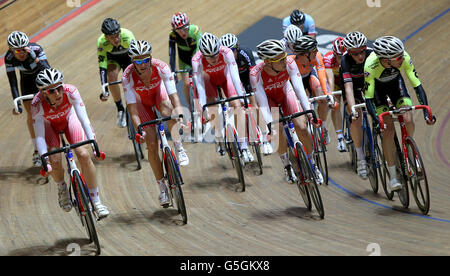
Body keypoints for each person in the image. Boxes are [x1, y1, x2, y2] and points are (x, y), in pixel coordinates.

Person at [32, 68, 109, 218]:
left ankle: (97, 201)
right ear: (42, 93)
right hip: (50, 125)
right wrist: (44, 160)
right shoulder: (37, 104)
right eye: (51, 91)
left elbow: (84, 120)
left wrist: (95, 146)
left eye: (59, 88)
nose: (57, 94)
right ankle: (61, 187)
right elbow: (39, 135)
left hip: (69, 119)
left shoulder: (71, 91)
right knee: (54, 159)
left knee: (83, 154)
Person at [122, 40, 189, 207]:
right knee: (151, 144)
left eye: (145, 60)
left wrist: (180, 115)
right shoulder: (127, 77)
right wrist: (139, 130)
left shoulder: (161, 67)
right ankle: (162, 189)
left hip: (159, 95)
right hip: (141, 104)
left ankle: (179, 147)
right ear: (133, 62)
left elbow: (174, 96)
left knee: (168, 109)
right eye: (138, 61)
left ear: (150, 58)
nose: (143, 64)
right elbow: (133, 111)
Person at [364, 36, 435, 190]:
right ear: (386, 59)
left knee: (408, 118)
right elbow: (368, 98)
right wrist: (377, 121)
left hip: (397, 86)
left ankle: (409, 149)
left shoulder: (404, 57)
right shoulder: (370, 65)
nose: (402, 58)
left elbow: (417, 86)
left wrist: (426, 112)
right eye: (398, 57)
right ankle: (393, 177)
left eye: (402, 55)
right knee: (388, 130)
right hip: (378, 93)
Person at [250, 39, 323, 184]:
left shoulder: (289, 64)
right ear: (268, 62)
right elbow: (263, 103)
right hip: (269, 100)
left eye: (284, 57)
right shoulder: (255, 74)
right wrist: (270, 124)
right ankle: (287, 165)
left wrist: (309, 112)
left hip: (286, 93)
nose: (285, 61)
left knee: (302, 127)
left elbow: (299, 90)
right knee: (277, 130)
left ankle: (312, 164)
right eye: (280, 60)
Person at [191, 32, 254, 163]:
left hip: (226, 79)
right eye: (209, 56)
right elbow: (200, 86)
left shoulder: (226, 52)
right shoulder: (196, 60)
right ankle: (219, 136)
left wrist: (241, 97)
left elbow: (235, 76)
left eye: (215, 54)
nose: (214, 59)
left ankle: (244, 146)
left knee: (237, 107)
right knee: (212, 109)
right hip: (208, 82)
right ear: (203, 54)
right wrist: (203, 108)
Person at [219, 33, 273, 155]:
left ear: (237, 48)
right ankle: (239, 140)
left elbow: (253, 74)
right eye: (227, 51)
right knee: (234, 108)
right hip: (231, 82)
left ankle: (265, 140)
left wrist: (253, 97)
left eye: (232, 50)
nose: (230, 54)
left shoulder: (245, 53)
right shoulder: (222, 59)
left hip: (247, 78)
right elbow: (224, 81)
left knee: (256, 107)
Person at [5, 31, 51, 167]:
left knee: (49, 110)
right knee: (32, 116)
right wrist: (17, 103)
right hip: (26, 83)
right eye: (17, 51)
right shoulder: (8, 58)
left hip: (41, 78)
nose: (21, 53)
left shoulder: (36, 49)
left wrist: (34, 58)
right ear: (11, 50)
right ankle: (37, 150)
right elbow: (12, 81)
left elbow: (48, 70)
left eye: (23, 49)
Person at [291, 35, 335, 145]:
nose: (317, 51)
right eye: (314, 50)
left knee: (323, 99)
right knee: (301, 105)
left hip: (310, 77)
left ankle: (323, 126)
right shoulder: (291, 62)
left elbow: (321, 75)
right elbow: (292, 87)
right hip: (296, 82)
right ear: (306, 54)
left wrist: (328, 93)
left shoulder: (316, 56)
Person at [341, 31, 373, 179]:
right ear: (349, 53)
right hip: (352, 89)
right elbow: (348, 89)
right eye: (355, 54)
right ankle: (361, 158)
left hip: (368, 86)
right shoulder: (345, 61)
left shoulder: (372, 55)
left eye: (362, 52)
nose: (360, 56)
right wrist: (353, 109)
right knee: (356, 119)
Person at [97, 18, 136, 128]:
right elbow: (102, 66)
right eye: (112, 37)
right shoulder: (101, 42)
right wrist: (104, 87)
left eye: (117, 35)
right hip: (113, 60)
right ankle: (120, 109)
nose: (116, 39)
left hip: (128, 57)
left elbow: (136, 57)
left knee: (132, 77)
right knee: (111, 76)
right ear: (106, 37)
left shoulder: (128, 35)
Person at [168, 12, 202, 113]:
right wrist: (173, 71)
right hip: (184, 59)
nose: (183, 32)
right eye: (179, 29)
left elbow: (200, 49)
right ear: (174, 30)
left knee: (201, 79)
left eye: (185, 27)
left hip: (196, 55)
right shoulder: (173, 35)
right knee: (186, 83)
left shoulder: (195, 30)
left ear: (189, 24)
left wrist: (197, 64)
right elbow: (172, 53)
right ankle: (191, 107)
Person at [324, 37, 346, 152]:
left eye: (343, 56)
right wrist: (331, 96)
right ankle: (340, 138)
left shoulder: (351, 58)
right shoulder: (328, 59)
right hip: (336, 83)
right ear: (334, 54)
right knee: (336, 106)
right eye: (339, 56)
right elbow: (330, 80)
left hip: (347, 81)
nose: (341, 59)